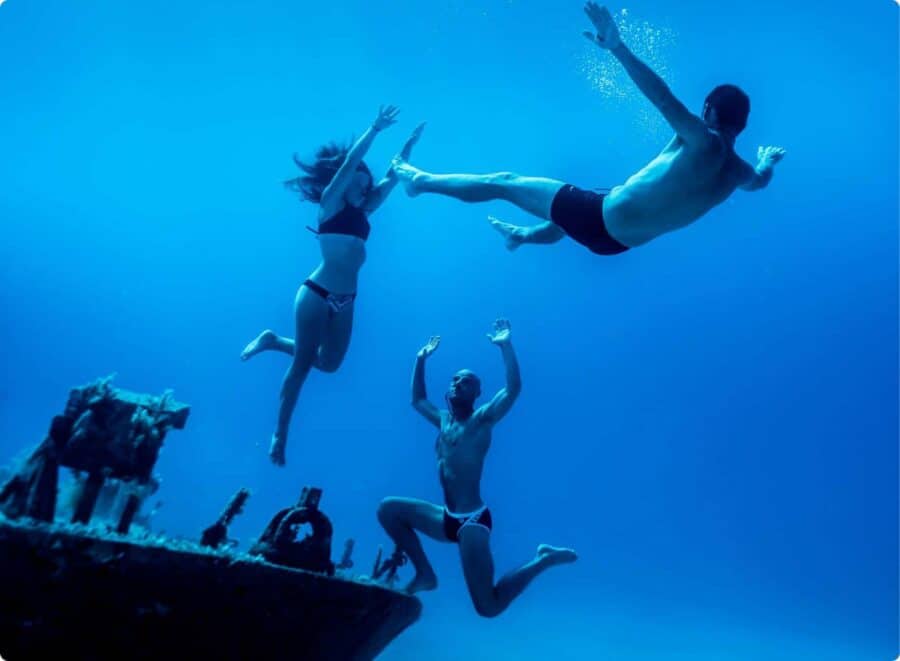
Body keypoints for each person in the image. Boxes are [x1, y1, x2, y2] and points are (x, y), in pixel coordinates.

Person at [391, 2, 785, 256]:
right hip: (617, 244)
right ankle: (521, 237)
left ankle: (419, 181)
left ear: (709, 111)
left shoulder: (705, 140)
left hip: (602, 218)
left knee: (503, 181)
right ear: (742, 125)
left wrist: (618, 47)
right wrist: (766, 160)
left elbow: (662, 98)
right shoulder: (739, 173)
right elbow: (761, 181)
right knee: (571, 212)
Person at [241, 106, 425, 466]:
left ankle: (273, 340)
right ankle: (280, 434)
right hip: (317, 292)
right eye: (358, 180)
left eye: (365, 183)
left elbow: (393, 174)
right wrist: (374, 129)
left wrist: (410, 144)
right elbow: (349, 165)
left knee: (329, 364)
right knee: (303, 366)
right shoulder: (329, 206)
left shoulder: (364, 213)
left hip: (346, 299)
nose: (366, 185)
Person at [377, 319, 577, 617]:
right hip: (445, 517)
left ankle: (542, 560)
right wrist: (420, 360)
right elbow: (418, 399)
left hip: (472, 521)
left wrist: (505, 346)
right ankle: (425, 574)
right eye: (455, 379)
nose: (458, 383)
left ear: (477, 393)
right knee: (388, 509)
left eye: (466, 381)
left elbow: (513, 388)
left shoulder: (482, 419)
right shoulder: (443, 420)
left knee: (488, 606)